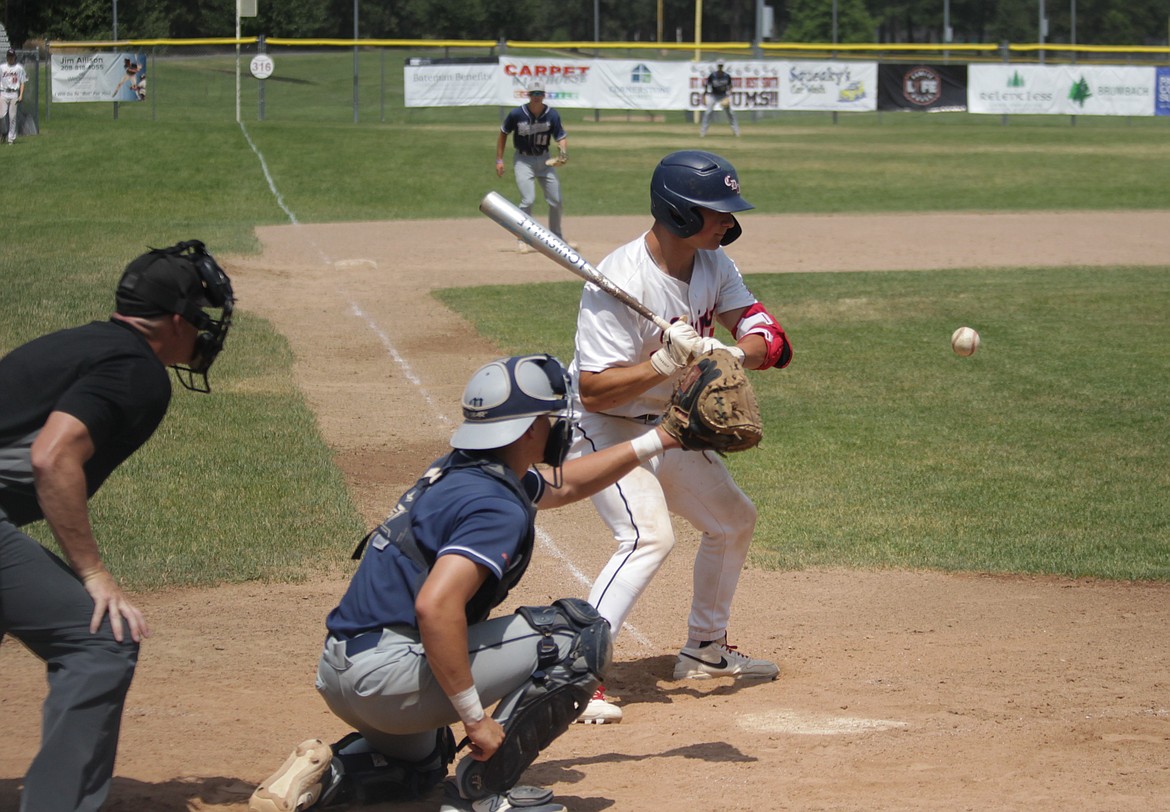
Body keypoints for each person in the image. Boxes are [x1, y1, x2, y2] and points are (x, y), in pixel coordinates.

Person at [250, 354, 680, 812]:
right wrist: (475, 721)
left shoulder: (461, 469)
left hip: (342, 675)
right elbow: (436, 607)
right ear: (529, 428)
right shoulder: (495, 504)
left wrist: (662, 439)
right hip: (386, 677)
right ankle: (485, 794)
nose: (558, 427)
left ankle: (328, 772)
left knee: (426, 760)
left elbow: (565, 486)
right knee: (576, 636)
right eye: (550, 417)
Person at [0, 240, 234, 811]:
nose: (202, 332)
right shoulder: (137, 371)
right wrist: (94, 573)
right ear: (176, 321)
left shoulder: (78, 343)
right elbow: (53, 458)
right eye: (199, 319)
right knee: (100, 640)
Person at [567, 150, 792, 721]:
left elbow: (773, 339)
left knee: (733, 519)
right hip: (605, 429)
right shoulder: (618, 279)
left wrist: (729, 351)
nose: (728, 221)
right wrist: (666, 363)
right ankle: (570, 676)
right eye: (717, 210)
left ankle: (704, 650)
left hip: (668, 428)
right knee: (647, 536)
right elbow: (594, 391)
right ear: (679, 212)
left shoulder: (713, 262)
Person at [495, 80, 576, 253]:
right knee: (528, 199)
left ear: (544, 95)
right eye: (534, 94)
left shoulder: (551, 115)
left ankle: (557, 237)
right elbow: (503, 133)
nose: (537, 97)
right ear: (528, 95)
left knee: (556, 201)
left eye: (540, 93)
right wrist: (499, 160)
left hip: (545, 161)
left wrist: (563, 152)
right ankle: (522, 238)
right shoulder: (517, 114)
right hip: (523, 161)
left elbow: (561, 136)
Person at [699, 61, 739, 138]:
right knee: (708, 112)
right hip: (713, 96)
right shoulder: (713, 76)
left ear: (723, 67)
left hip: (723, 95)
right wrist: (704, 96)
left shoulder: (727, 76)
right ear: (717, 67)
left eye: (721, 66)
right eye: (719, 66)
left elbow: (730, 87)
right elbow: (707, 86)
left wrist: (728, 96)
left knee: (731, 113)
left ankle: (736, 132)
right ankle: (703, 132)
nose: (720, 67)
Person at [1, 48, 28, 145]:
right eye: (9, 56)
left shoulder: (19, 68)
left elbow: (22, 82)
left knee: (12, 117)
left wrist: (20, 95)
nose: (10, 58)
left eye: (12, 56)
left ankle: (11, 139)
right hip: (3, 92)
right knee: (1, 116)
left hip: (14, 93)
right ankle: (3, 132)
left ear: (14, 57)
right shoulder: (2, 67)